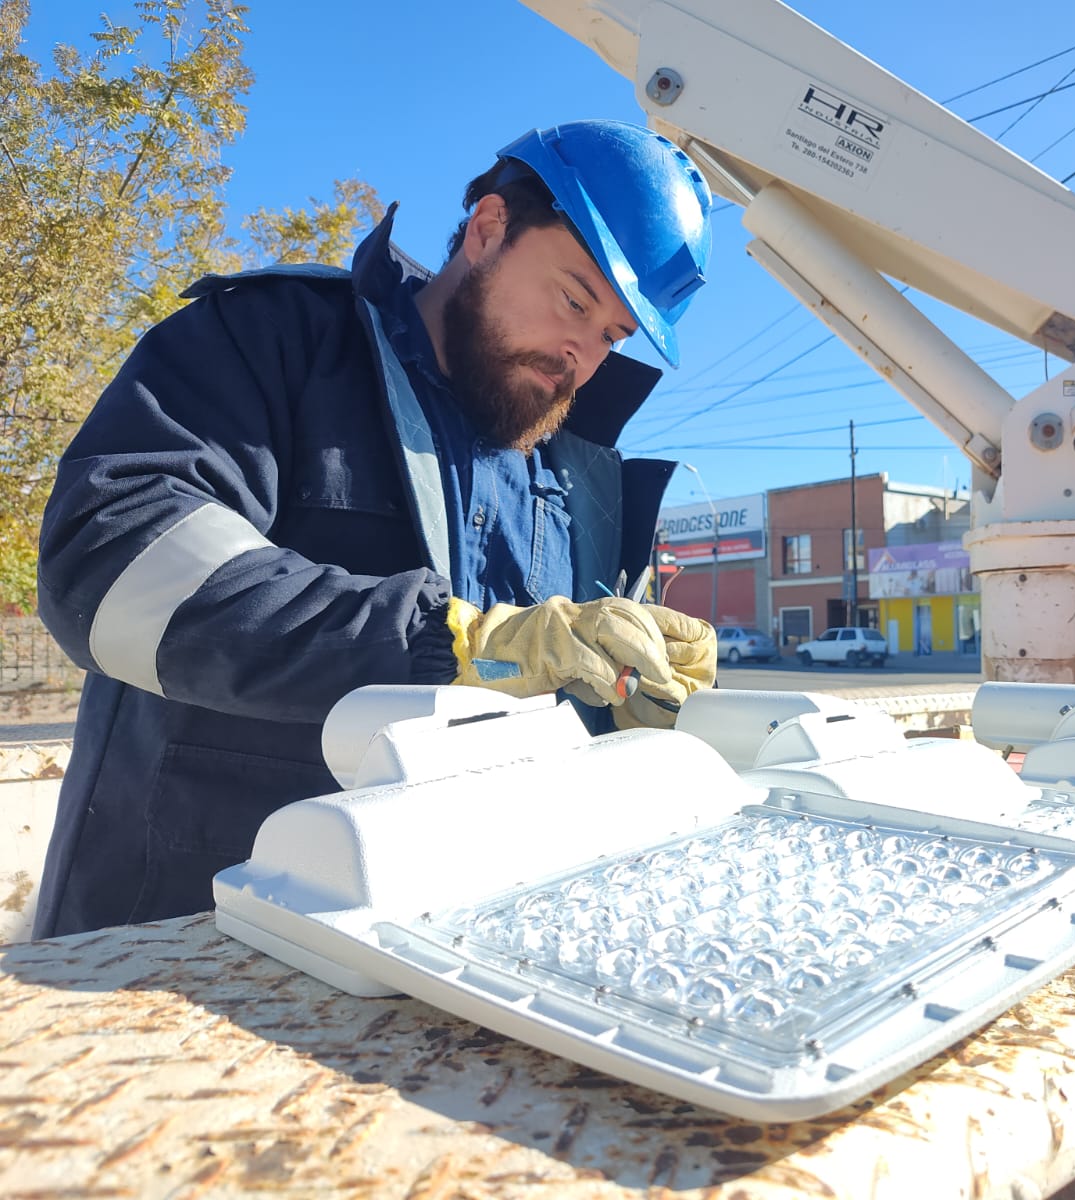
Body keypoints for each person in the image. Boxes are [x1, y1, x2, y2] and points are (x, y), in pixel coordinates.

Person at [33, 120, 719, 938]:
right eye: (575, 299)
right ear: (488, 228)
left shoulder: (574, 478)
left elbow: (547, 712)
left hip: (449, 950)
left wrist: (631, 705)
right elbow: (110, 562)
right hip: (183, 941)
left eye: (612, 335)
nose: (582, 352)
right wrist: (447, 641)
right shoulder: (278, 339)